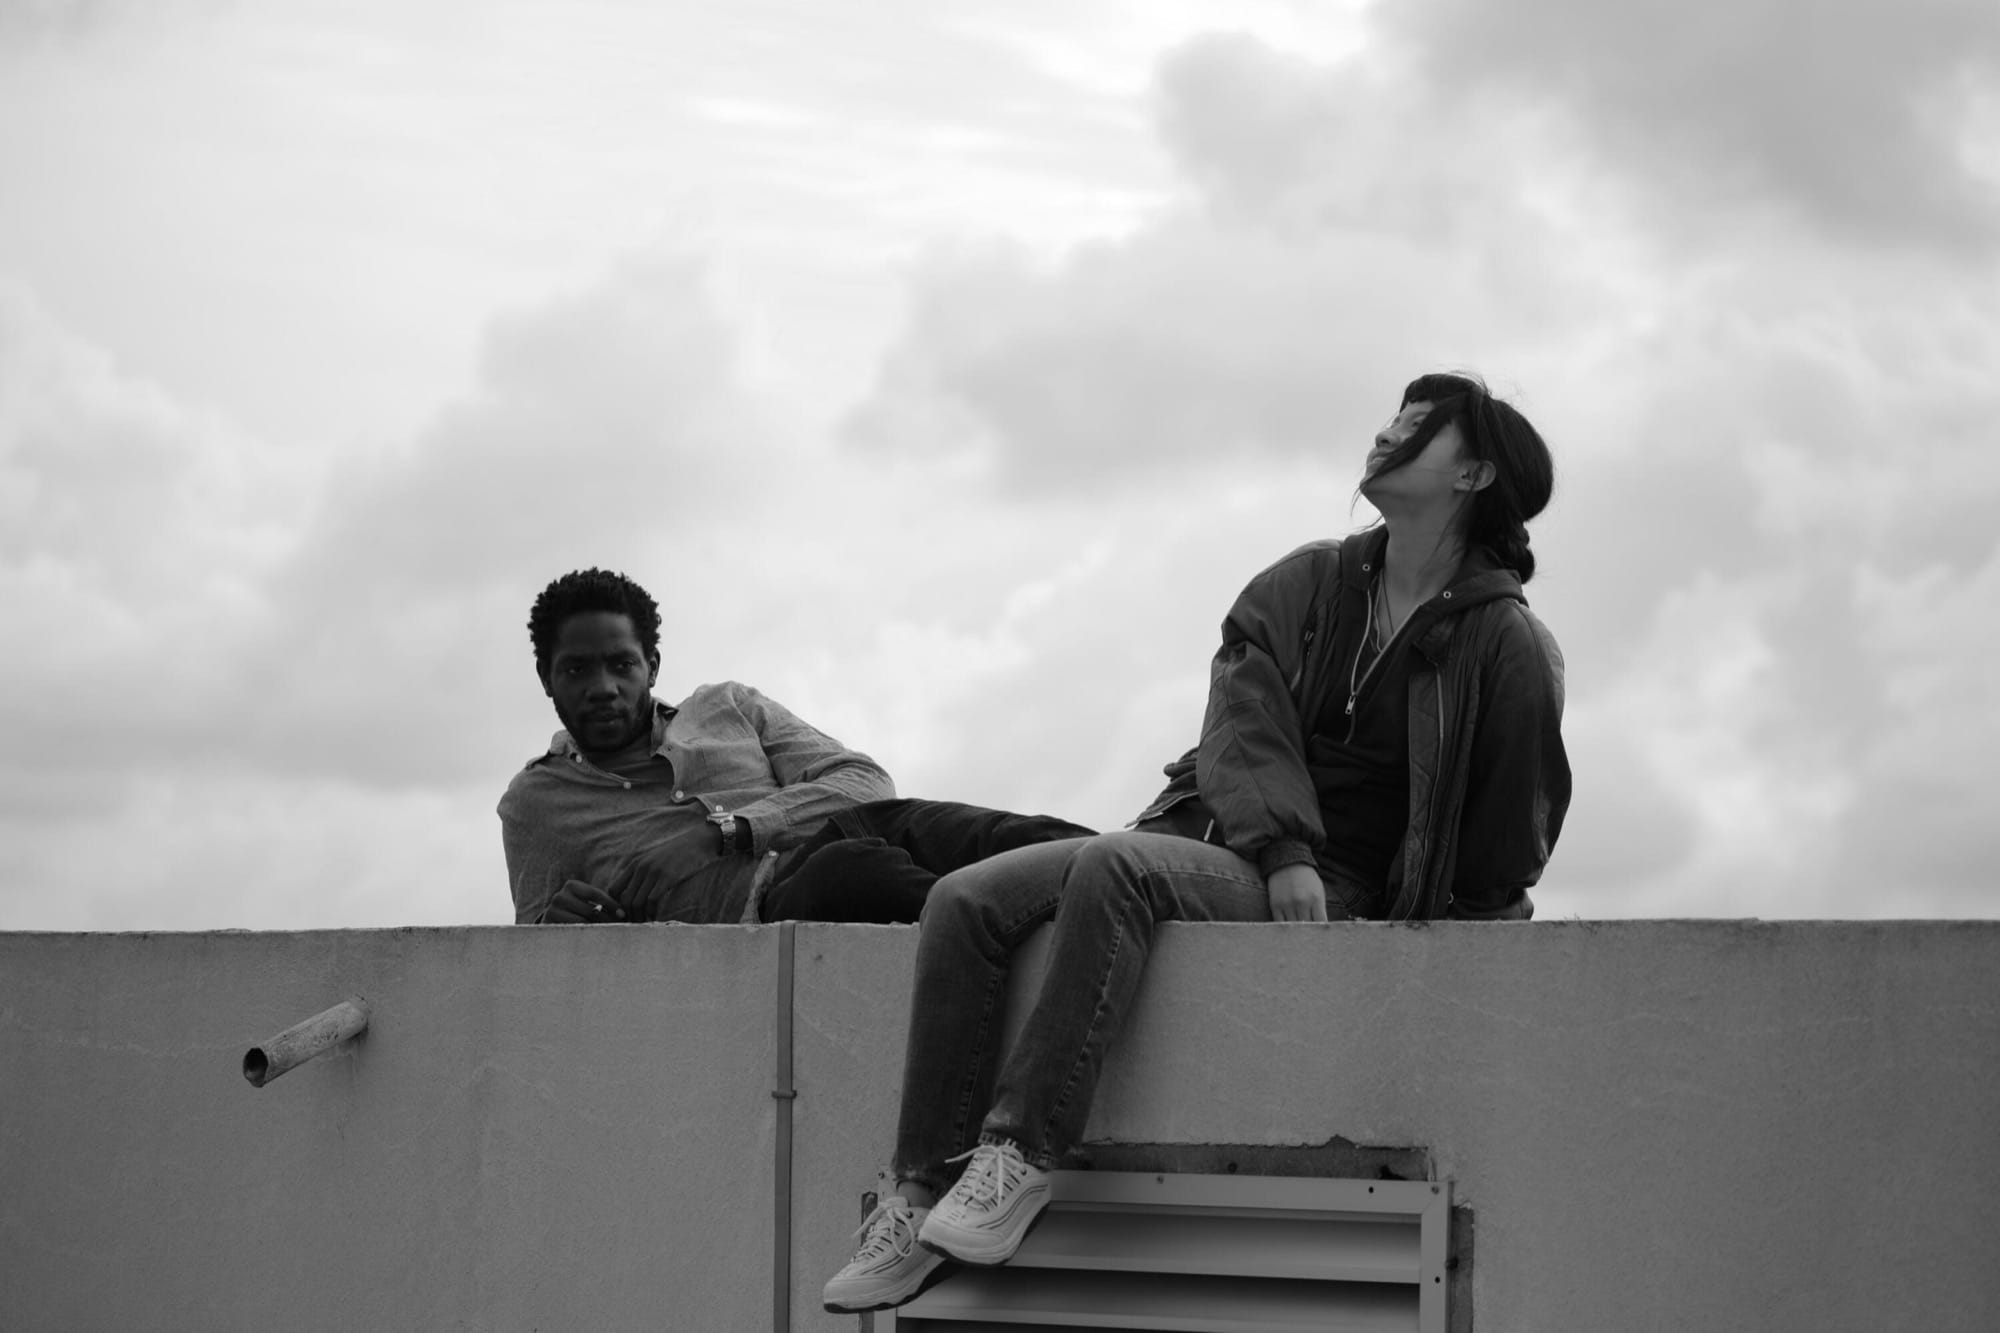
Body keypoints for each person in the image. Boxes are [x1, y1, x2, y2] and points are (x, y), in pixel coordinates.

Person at [822, 372, 1572, 1313]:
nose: (1387, 435)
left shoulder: (1506, 644)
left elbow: (1511, 828)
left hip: (1337, 884)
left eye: (1418, 429)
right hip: (1220, 838)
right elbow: (1241, 709)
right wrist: (1282, 847)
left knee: (1114, 866)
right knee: (964, 899)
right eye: (1392, 418)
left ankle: (1018, 1157)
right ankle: (919, 1191)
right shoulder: (1315, 579)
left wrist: (1450, 941)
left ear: (1474, 474)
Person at [500, 569, 1090, 926]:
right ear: (546, 679)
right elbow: (525, 949)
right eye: (576, 670)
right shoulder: (537, 801)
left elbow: (865, 781)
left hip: (856, 828)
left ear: (651, 667)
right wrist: (556, 924)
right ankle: (1033, 925)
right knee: (854, 871)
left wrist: (719, 832)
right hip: (777, 902)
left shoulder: (728, 705)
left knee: (964, 832)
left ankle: (1141, 865)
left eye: (620, 664)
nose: (602, 687)